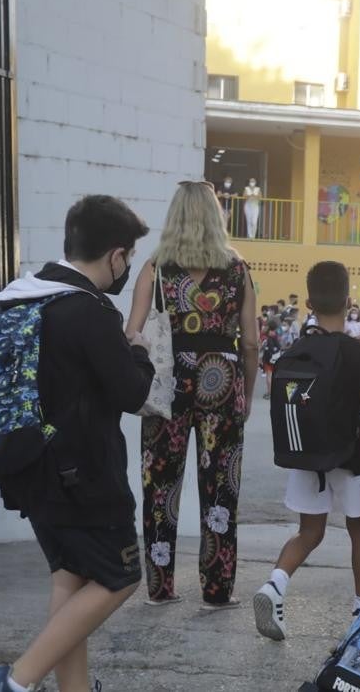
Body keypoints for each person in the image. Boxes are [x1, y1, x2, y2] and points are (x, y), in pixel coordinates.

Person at [0, 195, 154, 692]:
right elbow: (132, 393)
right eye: (129, 258)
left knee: (70, 577)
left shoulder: (19, 298)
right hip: (84, 476)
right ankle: (14, 681)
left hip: (31, 469)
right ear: (116, 255)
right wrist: (139, 351)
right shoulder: (87, 311)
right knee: (121, 577)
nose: (127, 268)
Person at [252, 262, 360, 641]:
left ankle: (275, 585)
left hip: (307, 455)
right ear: (348, 299)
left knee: (309, 532)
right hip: (351, 455)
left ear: (308, 303)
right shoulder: (357, 352)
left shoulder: (296, 351)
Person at [126, 182, 259, 609]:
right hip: (223, 381)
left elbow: (133, 332)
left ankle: (160, 589)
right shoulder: (238, 269)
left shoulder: (155, 268)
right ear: (215, 217)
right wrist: (247, 395)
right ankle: (217, 592)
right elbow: (252, 342)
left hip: (169, 382)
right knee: (222, 487)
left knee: (160, 484)